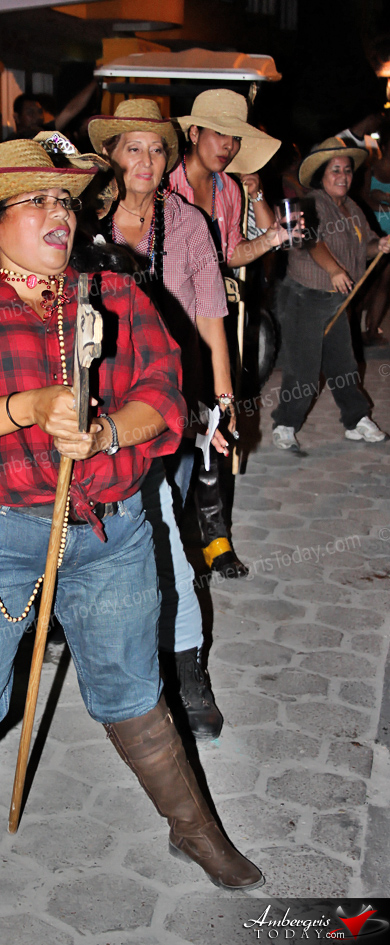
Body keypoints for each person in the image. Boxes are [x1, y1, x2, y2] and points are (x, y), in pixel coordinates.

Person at [0, 138, 264, 921]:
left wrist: (103, 435)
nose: (57, 214)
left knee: (133, 688)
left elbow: (165, 401)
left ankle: (195, 829)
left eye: (63, 199)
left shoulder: (117, 296)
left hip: (107, 532)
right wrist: (28, 408)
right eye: (34, 202)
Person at [88, 99, 233, 738]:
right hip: (93, 398)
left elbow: (209, 316)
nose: (145, 161)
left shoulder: (190, 224)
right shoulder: (84, 218)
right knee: (70, 522)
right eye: (132, 148)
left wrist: (222, 403)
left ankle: (183, 664)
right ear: (114, 155)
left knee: (160, 521)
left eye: (156, 149)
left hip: (167, 400)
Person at [169, 89, 283, 580]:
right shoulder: (163, 183)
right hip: (171, 317)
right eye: (220, 134)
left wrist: (270, 240)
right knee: (173, 421)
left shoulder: (230, 189)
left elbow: (231, 253)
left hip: (218, 316)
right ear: (193, 133)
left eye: (235, 137)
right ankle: (174, 542)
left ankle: (215, 537)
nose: (229, 146)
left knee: (218, 420)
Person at [271, 137, 390, 449]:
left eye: (347, 171)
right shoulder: (309, 202)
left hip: (338, 300)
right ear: (321, 176)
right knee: (304, 371)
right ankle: (285, 423)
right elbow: (311, 241)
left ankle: (356, 420)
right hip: (304, 297)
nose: (343, 176)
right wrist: (334, 270)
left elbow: (365, 248)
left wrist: (381, 245)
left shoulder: (353, 209)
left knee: (344, 364)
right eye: (335, 170)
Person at [361, 120, 390, 346]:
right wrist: (385, 206)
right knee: (367, 281)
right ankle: (353, 329)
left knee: (385, 282)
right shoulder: (371, 167)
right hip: (373, 230)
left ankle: (371, 330)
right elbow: (363, 199)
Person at [10, 81, 98, 140]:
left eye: (40, 112)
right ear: (17, 117)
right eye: (30, 112)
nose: (37, 117)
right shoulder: (8, 144)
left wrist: (97, 80)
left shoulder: (46, 134)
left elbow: (71, 110)